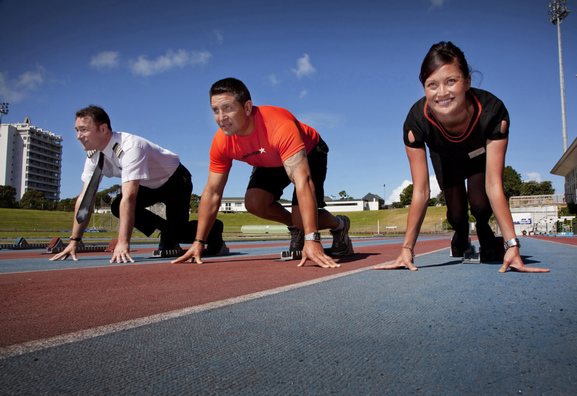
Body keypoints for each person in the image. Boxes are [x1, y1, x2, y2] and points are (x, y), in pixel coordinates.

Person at [374, 42, 549, 273]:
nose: (442, 93)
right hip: (445, 156)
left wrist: (512, 244)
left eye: (451, 81)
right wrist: (407, 248)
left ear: (467, 81)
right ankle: (461, 232)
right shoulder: (416, 122)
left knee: (479, 202)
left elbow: (495, 184)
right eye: (432, 85)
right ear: (424, 88)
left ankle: (484, 227)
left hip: (478, 155)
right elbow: (422, 191)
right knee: (456, 214)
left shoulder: (493, 112)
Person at [173, 78, 352, 268]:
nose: (221, 117)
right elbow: (212, 192)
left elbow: (303, 181)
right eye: (215, 110)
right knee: (254, 203)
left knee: (302, 219)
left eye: (228, 108)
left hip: (309, 151)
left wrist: (312, 239)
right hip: (268, 159)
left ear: (248, 107)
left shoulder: (279, 125)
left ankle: (339, 225)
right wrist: (199, 242)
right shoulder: (221, 143)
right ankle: (297, 228)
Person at [51, 105, 223, 263]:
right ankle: (167, 231)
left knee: (177, 232)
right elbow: (85, 199)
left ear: (103, 129)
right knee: (117, 205)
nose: (78, 136)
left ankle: (214, 227)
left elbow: (130, 198)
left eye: (83, 130)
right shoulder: (94, 155)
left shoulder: (130, 147)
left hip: (175, 181)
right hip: (149, 185)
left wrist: (123, 243)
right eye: (77, 130)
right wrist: (74, 241)